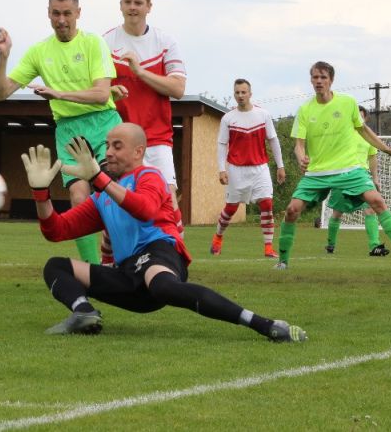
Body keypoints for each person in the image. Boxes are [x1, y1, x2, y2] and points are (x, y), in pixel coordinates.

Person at [21, 122, 307, 342]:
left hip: (159, 255)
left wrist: (99, 177)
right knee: (55, 266)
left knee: (162, 286)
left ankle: (265, 324)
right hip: (129, 277)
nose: (108, 152)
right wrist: (40, 193)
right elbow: (56, 230)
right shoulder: (102, 198)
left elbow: (144, 209)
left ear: (138, 152)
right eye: (107, 145)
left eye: (117, 146)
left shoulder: (150, 176)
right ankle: (83, 312)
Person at [0, 0, 122, 264]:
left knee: (114, 193)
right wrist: (4, 56)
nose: (61, 19)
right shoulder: (40, 51)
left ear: (78, 13)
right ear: (48, 14)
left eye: (67, 13)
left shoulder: (93, 43)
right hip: (68, 130)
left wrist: (59, 94)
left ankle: (121, 256)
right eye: (55, 13)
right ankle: (95, 269)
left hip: (103, 124)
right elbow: (1, 93)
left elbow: (101, 94)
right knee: (78, 196)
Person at [276, 61, 391, 269]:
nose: (319, 81)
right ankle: (282, 262)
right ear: (311, 80)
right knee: (292, 209)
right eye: (315, 77)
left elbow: (363, 130)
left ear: (331, 81)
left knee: (376, 201)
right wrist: (301, 158)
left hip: (349, 169)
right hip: (317, 172)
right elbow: (298, 145)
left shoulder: (347, 103)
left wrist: (387, 149)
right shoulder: (305, 110)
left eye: (323, 77)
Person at [102, 0, 186, 265]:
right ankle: (109, 268)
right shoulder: (106, 43)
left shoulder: (165, 42)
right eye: (127, 2)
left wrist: (139, 71)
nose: (133, 8)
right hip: (119, 141)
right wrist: (109, 91)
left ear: (149, 7)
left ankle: (177, 262)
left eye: (138, 2)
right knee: (111, 205)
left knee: (169, 202)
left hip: (156, 137)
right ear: (121, 5)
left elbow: (177, 89)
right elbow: (97, 88)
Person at [210, 79, 285, 258]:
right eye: (237, 92)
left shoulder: (263, 115)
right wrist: (222, 169)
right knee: (231, 208)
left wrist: (280, 166)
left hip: (260, 168)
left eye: (244, 92)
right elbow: (222, 144)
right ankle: (218, 237)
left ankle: (268, 248)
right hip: (237, 169)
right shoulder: (228, 118)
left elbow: (273, 140)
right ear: (234, 94)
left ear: (250, 94)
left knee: (267, 204)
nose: (240, 96)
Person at [324, 106, 389, 256]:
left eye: (360, 117)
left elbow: (372, 157)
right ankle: (331, 244)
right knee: (337, 213)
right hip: (343, 176)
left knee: (370, 209)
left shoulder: (368, 137)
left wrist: (375, 178)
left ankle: (375, 246)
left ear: (365, 119)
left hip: (362, 177)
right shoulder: (341, 134)